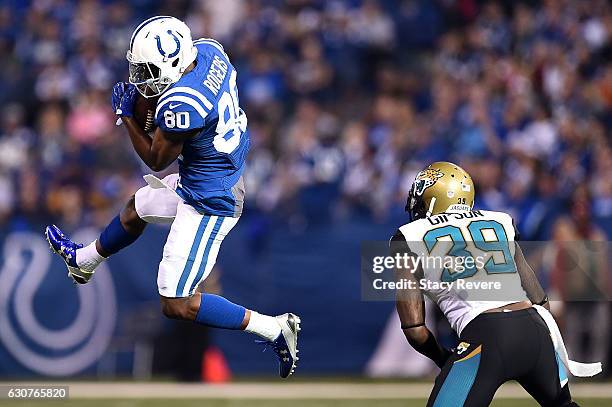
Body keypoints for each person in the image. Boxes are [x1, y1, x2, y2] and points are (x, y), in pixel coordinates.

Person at [45, 16, 300, 378]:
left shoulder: (184, 104)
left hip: (211, 200)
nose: (141, 77)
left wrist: (127, 118)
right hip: (211, 174)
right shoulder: (210, 51)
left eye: (147, 69)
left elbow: (156, 158)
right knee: (139, 206)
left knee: (176, 304)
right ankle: (84, 262)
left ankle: (275, 328)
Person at [392, 161, 587, 406]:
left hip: (486, 336)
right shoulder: (500, 221)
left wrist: (443, 358)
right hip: (535, 327)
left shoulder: (409, 236)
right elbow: (539, 298)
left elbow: (416, 331)